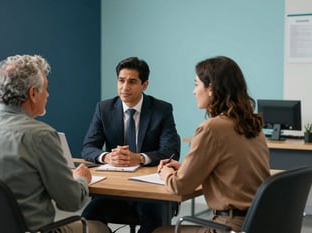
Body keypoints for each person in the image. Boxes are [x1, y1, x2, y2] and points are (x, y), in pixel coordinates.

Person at [0, 54, 110, 233]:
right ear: (33, 93)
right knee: (99, 228)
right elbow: (71, 202)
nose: (47, 94)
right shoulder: (40, 135)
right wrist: (82, 179)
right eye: (45, 88)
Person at [153, 56, 271, 233]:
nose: (194, 91)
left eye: (196, 84)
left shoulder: (211, 128)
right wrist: (186, 168)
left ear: (211, 89)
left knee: (160, 232)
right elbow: (232, 171)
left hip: (230, 226)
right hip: (259, 221)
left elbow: (179, 187)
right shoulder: (252, 124)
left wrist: (166, 173)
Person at [81, 56, 181, 233]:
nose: (124, 87)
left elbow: (171, 151)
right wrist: (107, 156)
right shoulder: (104, 109)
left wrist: (140, 158)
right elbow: (88, 147)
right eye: (121, 80)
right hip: (115, 191)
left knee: (153, 223)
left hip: (152, 192)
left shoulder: (162, 110)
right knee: (88, 219)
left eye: (132, 82)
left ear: (144, 85)